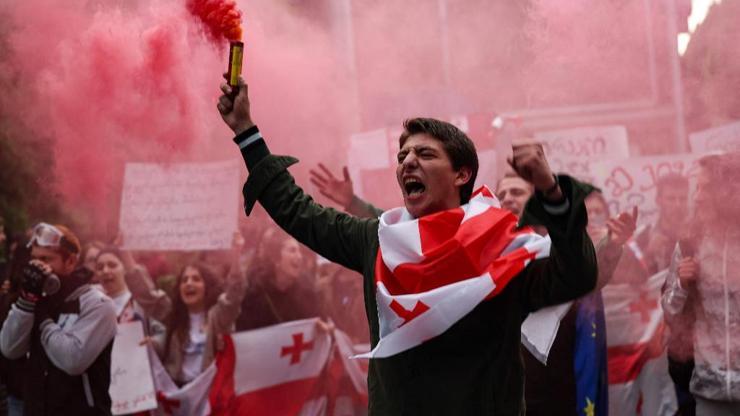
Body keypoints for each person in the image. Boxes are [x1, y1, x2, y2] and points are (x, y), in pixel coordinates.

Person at [217, 77, 598, 414]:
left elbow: (576, 276)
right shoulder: (377, 240)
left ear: (462, 173)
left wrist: (551, 192)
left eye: (425, 154)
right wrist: (245, 130)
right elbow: (297, 212)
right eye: (402, 156)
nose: (407, 163)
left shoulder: (504, 248)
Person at [0, 222, 117, 415]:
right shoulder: (35, 299)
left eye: (46, 259)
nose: (38, 267)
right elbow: (9, 348)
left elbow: (73, 360)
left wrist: (43, 318)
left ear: (70, 262)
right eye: (34, 260)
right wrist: (26, 302)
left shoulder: (98, 304)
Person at [661, 153, 740, 416]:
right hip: (710, 390)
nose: (697, 197)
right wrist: (682, 284)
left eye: (706, 188)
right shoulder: (690, 242)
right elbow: (670, 309)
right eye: (697, 188)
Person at [125, 233, 247, 385]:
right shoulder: (173, 314)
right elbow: (146, 295)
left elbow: (235, 293)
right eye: (184, 280)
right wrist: (125, 252)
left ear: (207, 286)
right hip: (178, 394)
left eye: (196, 279)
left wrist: (236, 253)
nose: (189, 283)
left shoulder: (218, 316)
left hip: (210, 393)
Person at [236, 227, 325, 331]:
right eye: (292, 250)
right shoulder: (253, 294)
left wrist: (322, 327)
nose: (299, 256)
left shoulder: (307, 291)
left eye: (299, 251)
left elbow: (321, 320)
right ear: (275, 258)